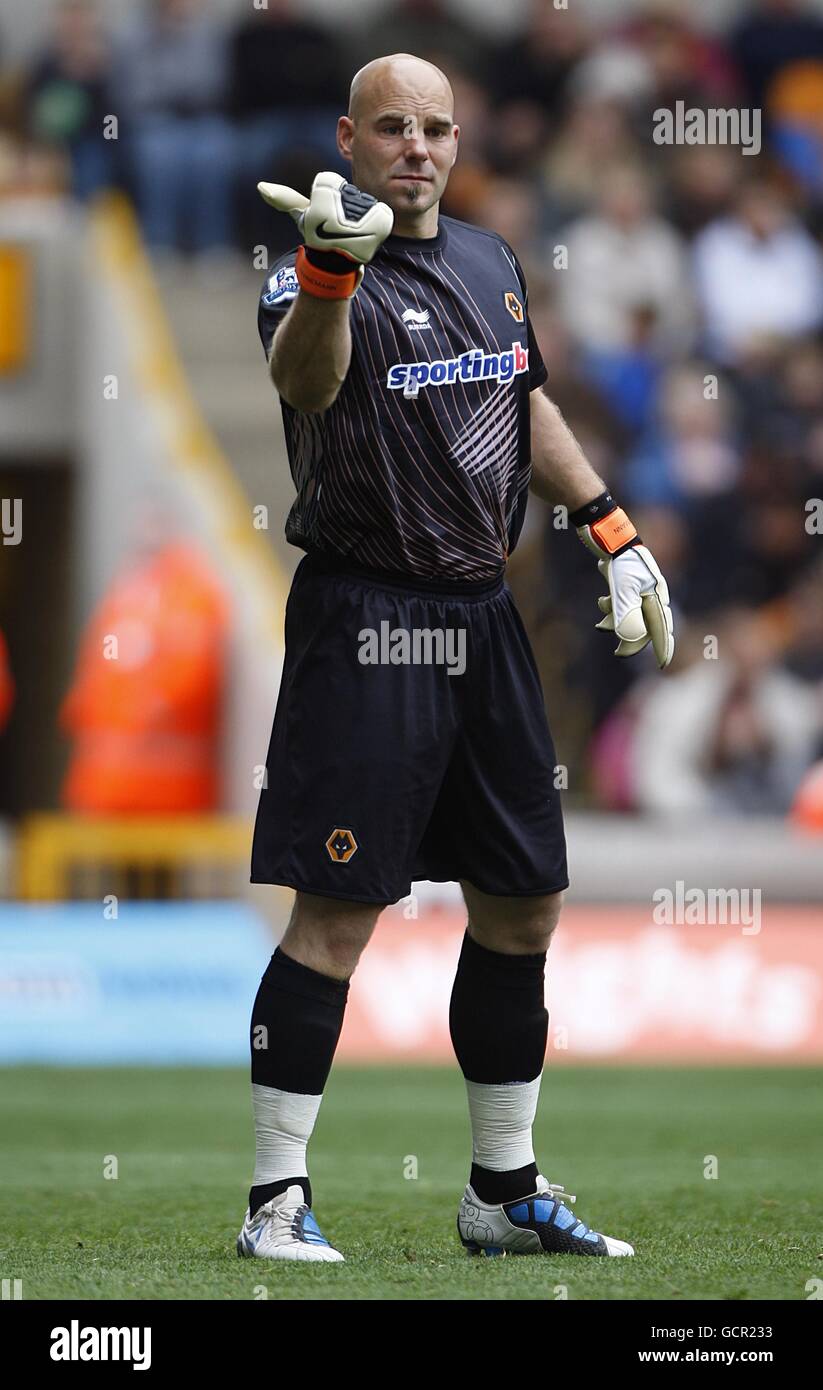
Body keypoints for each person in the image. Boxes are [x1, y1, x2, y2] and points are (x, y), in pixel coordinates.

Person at [239, 53, 674, 1264]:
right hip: (367, 611)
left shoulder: (489, 260)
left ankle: (502, 1190)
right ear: (348, 137)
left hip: (485, 615)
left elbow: (519, 395)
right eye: (392, 128)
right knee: (336, 911)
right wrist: (332, 271)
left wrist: (610, 527)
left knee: (524, 902)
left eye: (435, 127)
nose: (418, 147)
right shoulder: (305, 267)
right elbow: (307, 385)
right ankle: (275, 1200)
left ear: (459, 135)